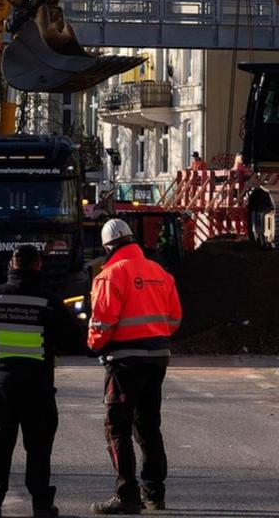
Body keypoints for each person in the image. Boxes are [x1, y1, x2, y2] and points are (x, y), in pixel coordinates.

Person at [0, 245, 81, 518]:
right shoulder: (49, 301)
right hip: (38, 384)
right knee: (38, 447)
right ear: (38, 266)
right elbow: (74, 337)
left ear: (11, 265)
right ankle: (41, 504)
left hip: (3, 383)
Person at [86, 218, 181, 514]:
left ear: (107, 246)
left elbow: (102, 323)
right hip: (157, 356)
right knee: (149, 425)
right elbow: (175, 318)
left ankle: (126, 495)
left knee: (117, 427)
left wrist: (93, 345)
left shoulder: (109, 275)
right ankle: (154, 493)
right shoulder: (160, 273)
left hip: (125, 361)